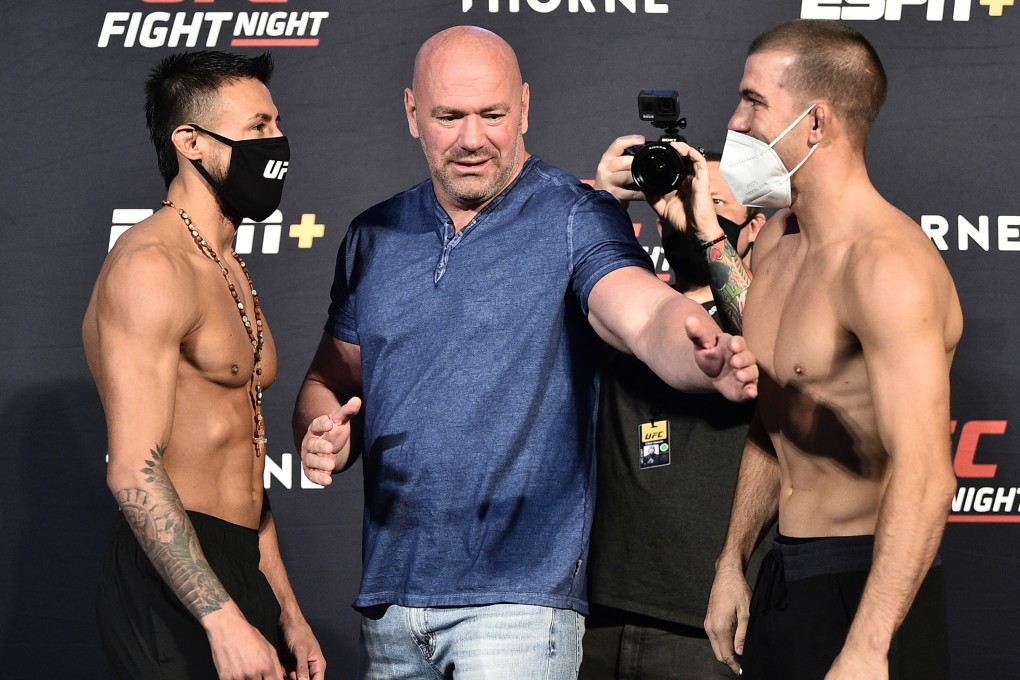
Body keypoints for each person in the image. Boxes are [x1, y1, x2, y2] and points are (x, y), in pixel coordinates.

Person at [292, 25, 757, 679]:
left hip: (518, 610)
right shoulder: (372, 235)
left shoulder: (575, 215)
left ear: (526, 108)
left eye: (494, 115)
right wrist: (319, 431)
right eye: (450, 116)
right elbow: (329, 379)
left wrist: (697, 348)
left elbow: (640, 311)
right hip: (391, 605)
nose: (473, 139)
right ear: (411, 112)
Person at [703, 19, 963, 680]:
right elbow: (775, 415)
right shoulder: (775, 243)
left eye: (755, 101)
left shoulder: (886, 267)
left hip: (869, 583)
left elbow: (929, 473)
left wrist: (869, 645)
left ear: (815, 123)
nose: (735, 120)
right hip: (785, 575)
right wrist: (735, 559)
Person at [82, 50, 323, 680]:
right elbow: (133, 471)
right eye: (257, 128)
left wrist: (287, 614)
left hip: (241, 561)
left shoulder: (229, 263)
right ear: (189, 140)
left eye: (277, 125)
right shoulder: (151, 267)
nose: (277, 143)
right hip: (170, 579)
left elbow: (246, 466)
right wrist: (220, 621)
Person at [578, 141, 766, 680]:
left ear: (753, 227)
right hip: (598, 613)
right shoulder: (620, 315)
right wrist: (605, 206)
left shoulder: (772, 309)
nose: (691, 206)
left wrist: (706, 225)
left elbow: (769, 339)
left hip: (706, 618)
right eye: (682, 195)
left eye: (715, 201)